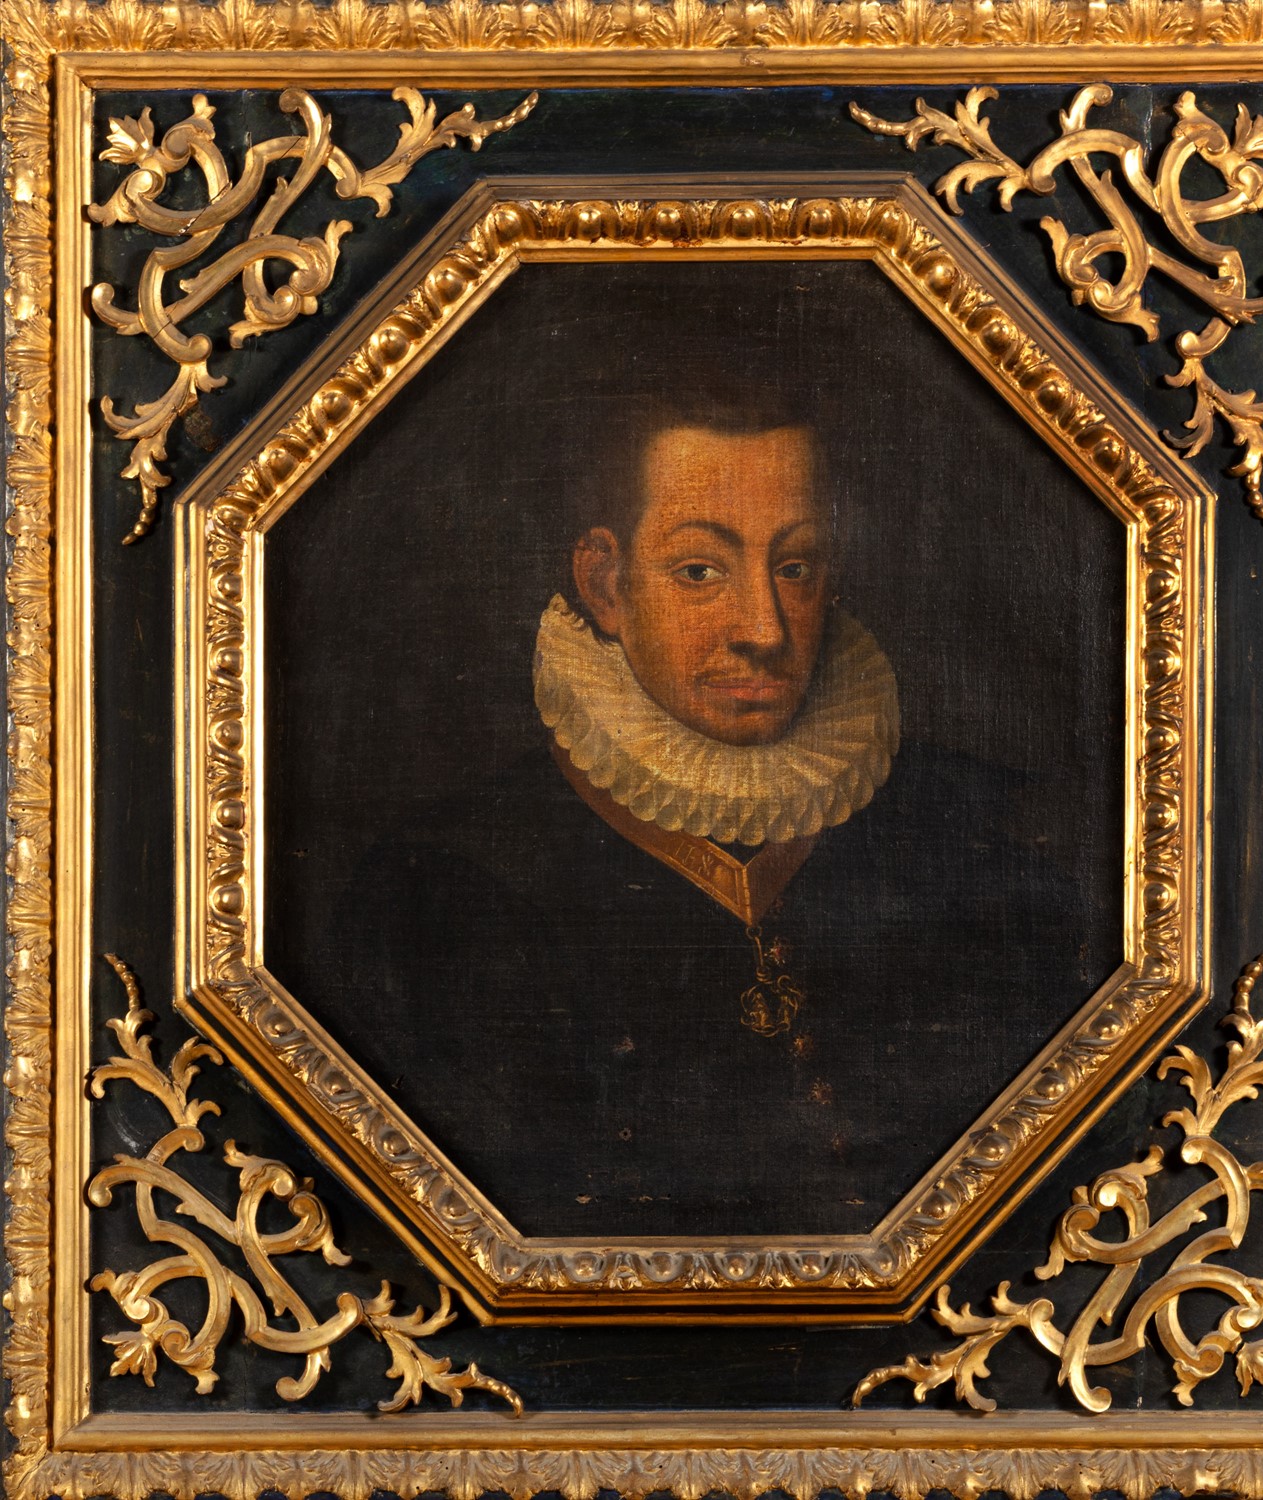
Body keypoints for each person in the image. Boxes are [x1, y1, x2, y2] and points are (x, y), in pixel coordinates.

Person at [335, 391, 1089, 1241]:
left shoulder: (973, 840)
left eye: (794, 567)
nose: (764, 629)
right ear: (607, 586)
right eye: (700, 571)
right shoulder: (445, 889)